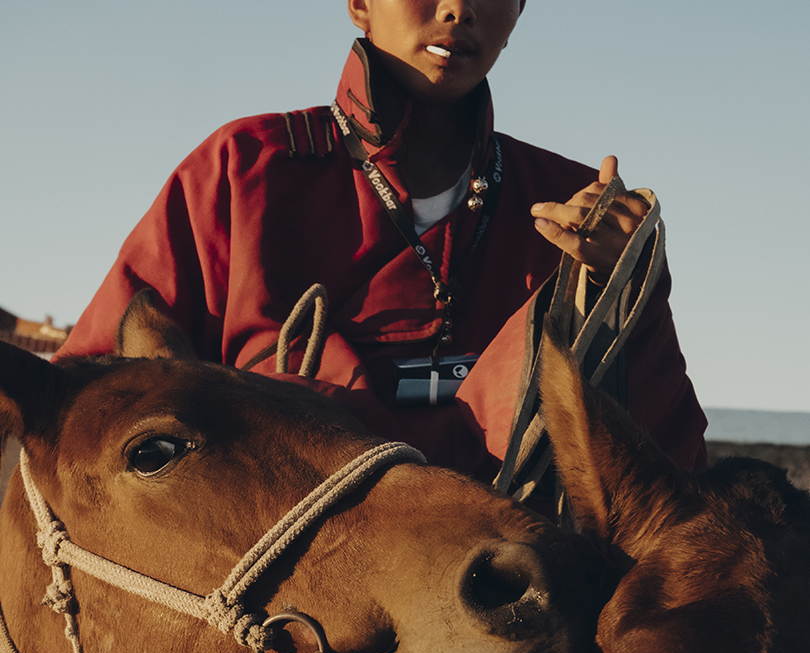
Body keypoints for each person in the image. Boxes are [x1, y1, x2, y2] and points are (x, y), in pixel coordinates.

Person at [57, 0, 706, 480]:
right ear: (360, 4)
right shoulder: (244, 174)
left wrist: (619, 286)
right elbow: (81, 410)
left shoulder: (574, 205)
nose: (458, 8)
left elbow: (669, 474)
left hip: (522, 621)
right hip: (288, 627)